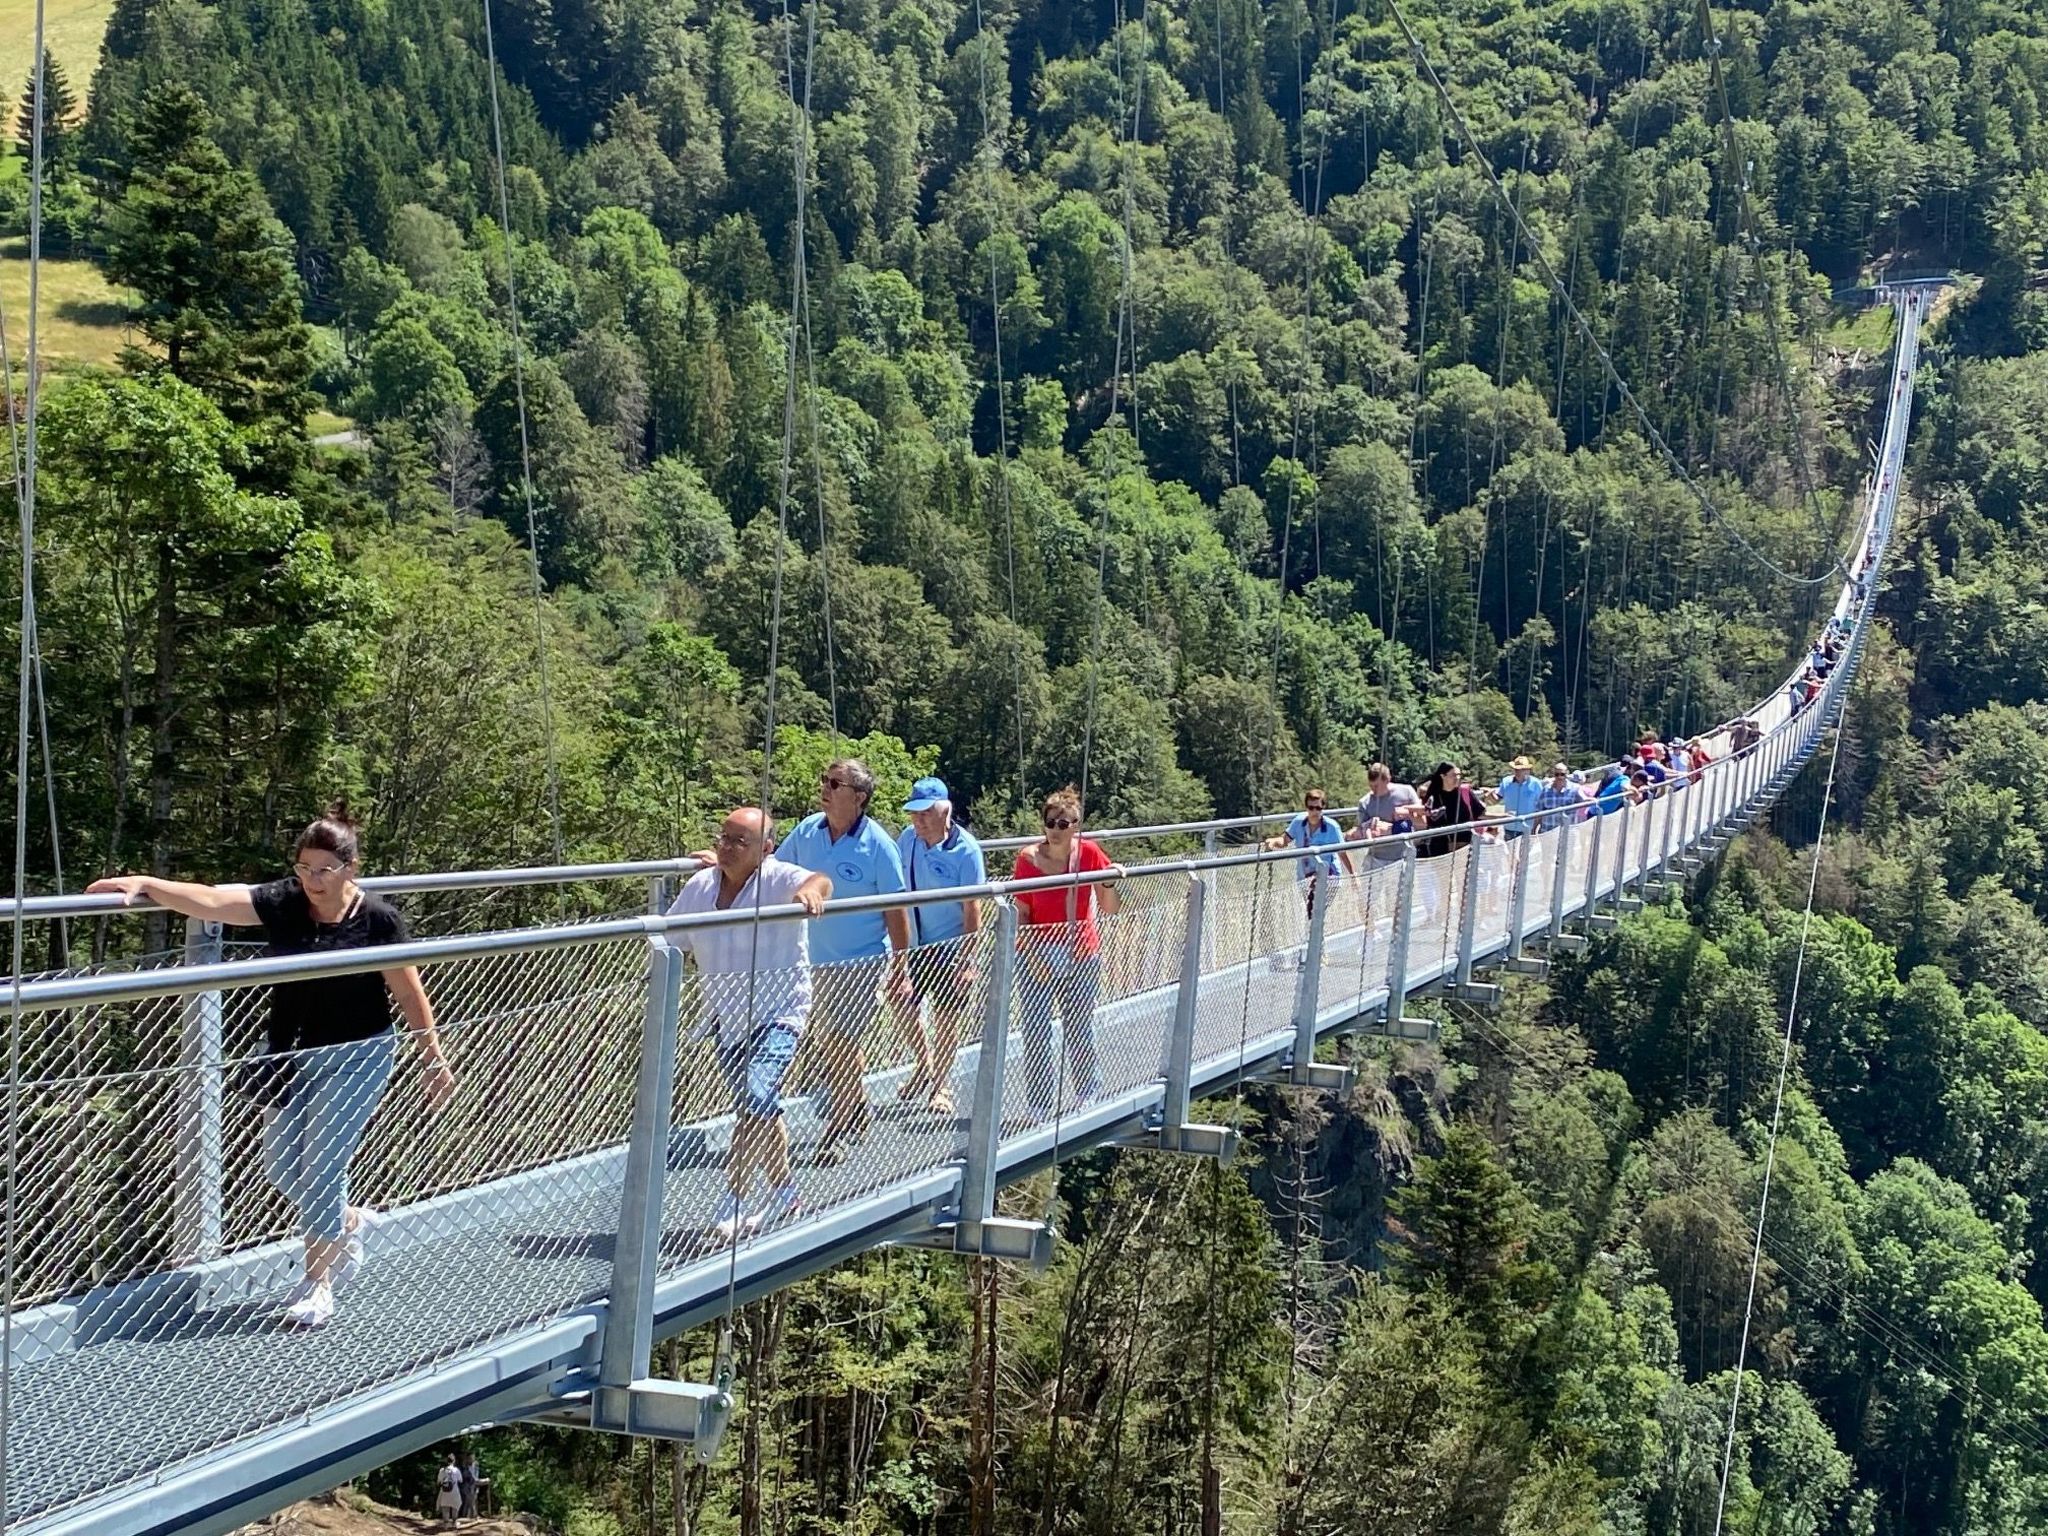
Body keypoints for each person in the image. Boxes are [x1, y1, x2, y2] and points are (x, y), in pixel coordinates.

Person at [88, 802, 453, 1330]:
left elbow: (407, 987)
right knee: (282, 1169)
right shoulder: (285, 901)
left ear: (351, 868)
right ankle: (346, 1221)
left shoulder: (377, 918)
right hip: (288, 1054)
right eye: (304, 868)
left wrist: (432, 1056)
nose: (311, 880)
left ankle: (317, 1284)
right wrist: (146, 882)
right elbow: (214, 901)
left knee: (321, 1167)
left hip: (358, 1056)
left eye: (324, 870)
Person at [667, 807, 831, 1241]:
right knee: (758, 1105)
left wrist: (812, 893)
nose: (727, 847)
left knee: (757, 1095)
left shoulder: (776, 878)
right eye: (724, 838)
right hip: (727, 1018)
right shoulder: (701, 886)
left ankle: (733, 1199)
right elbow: (669, 940)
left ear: (766, 850)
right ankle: (784, 1193)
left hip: (779, 1013)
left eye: (741, 842)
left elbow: (818, 880)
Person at [778, 759, 913, 1165]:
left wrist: (901, 967)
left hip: (863, 959)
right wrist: (724, 862)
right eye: (824, 780)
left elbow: (897, 908)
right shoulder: (807, 830)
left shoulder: (878, 845)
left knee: (840, 1040)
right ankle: (858, 1108)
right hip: (815, 959)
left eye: (835, 783)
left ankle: (836, 1128)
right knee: (832, 1044)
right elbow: (774, 870)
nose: (825, 788)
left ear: (858, 798)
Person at [1011, 788, 1123, 1116]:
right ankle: (1041, 1104)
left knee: (1079, 1026)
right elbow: (1022, 915)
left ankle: (1087, 1092)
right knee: (1036, 1031)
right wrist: (1033, 958)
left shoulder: (1089, 853)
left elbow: (1110, 908)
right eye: (1050, 823)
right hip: (1037, 951)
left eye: (1064, 823)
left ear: (1077, 825)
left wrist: (1110, 881)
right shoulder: (1027, 859)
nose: (1056, 830)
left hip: (1081, 951)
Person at [895, 777, 985, 1118]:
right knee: (899, 1001)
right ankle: (924, 1062)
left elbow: (972, 907)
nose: (918, 821)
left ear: (944, 811)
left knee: (946, 1019)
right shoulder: (907, 840)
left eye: (925, 813)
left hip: (950, 946)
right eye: (914, 814)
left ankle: (941, 1086)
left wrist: (967, 960)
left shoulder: (966, 850)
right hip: (914, 943)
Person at [1348, 762, 1422, 858]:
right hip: (1377, 857)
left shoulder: (1406, 792)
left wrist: (1407, 814)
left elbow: (1422, 822)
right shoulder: (1365, 802)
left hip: (1404, 854)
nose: (1373, 790)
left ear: (1387, 780)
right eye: (1371, 786)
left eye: (1376, 786)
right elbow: (1361, 830)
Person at [1419, 763, 1482, 857]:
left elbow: (1480, 813)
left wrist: (1504, 817)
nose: (1457, 778)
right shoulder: (1433, 795)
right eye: (1453, 775)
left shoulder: (1465, 792)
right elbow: (1427, 815)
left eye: (1459, 775)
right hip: (1439, 848)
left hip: (1464, 845)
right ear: (1442, 776)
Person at [1494, 756, 1543, 837]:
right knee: (1509, 849)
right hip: (1509, 826)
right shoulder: (1506, 782)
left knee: (1525, 850)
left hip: (1527, 827)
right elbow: (1497, 799)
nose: (1518, 772)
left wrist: (1535, 827)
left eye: (1522, 770)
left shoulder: (1536, 784)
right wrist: (1489, 796)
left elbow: (1540, 807)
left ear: (1527, 770)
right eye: (1516, 769)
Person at [1534, 761, 1583, 830]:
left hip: (1568, 832)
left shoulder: (1575, 789)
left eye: (1562, 774)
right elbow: (1539, 811)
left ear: (1567, 774)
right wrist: (1533, 829)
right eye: (1557, 774)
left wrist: (1593, 800)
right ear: (1553, 775)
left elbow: (1584, 800)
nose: (1560, 777)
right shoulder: (1546, 790)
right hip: (1548, 833)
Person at [436, 1455, 463, 1529]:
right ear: (454, 1461)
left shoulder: (442, 1470)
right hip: (454, 1491)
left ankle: (446, 1524)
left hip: (444, 1491)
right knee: (455, 1506)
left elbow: (438, 1482)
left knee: (445, 1507)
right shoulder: (456, 1470)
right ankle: (454, 1523)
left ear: (447, 1461)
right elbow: (461, 1480)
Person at [462, 1455, 483, 1523]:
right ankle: (471, 1515)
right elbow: (466, 1477)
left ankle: (469, 1515)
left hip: (474, 1485)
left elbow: (476, 1476)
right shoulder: (466, 1468)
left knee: (473, 1500)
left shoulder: (475, 1466)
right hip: (468, 1486)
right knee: (470, 1501)